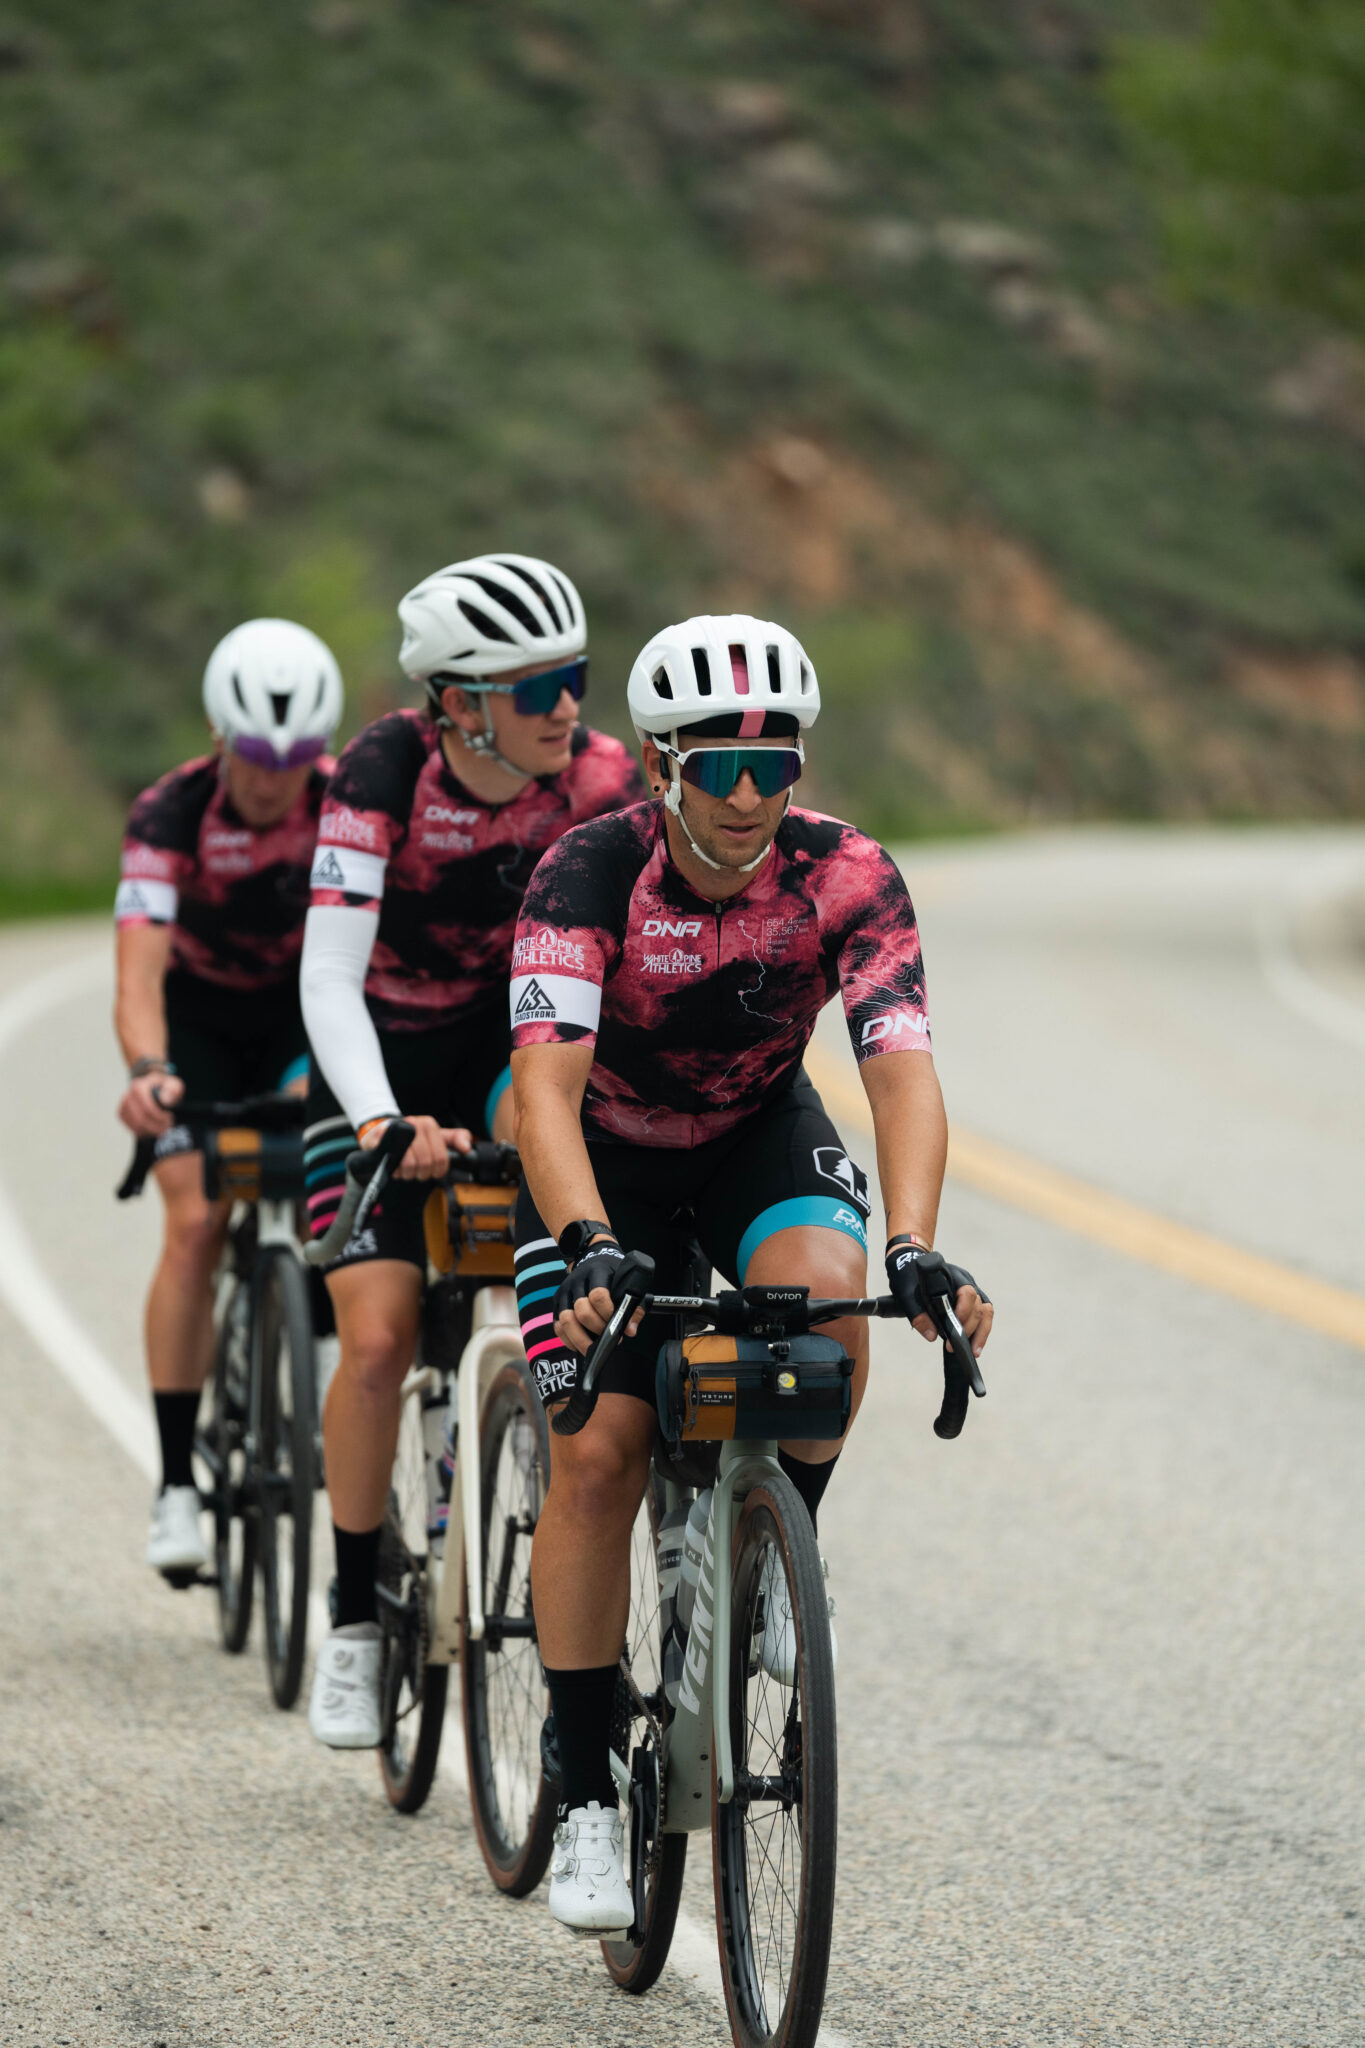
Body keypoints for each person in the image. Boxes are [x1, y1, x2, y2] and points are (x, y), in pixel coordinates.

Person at [507, 612, 994, 1933]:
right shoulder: (586, 874)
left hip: (750, 1135)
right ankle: (586, 1792)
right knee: (600, 1451)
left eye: (772, 765)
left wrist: (914, 1241)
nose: (746, 795)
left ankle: (775, 1554)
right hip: (597, 1160)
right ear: (660, 766)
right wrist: (586, 1243)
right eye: (716, 766)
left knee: (833, 1311)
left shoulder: (845, 874)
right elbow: (541, 1091)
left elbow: (900, 1069)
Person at [300, 552, 645, 1748]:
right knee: (382, 1332)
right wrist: (376, 1117)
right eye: (536, 684)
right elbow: (329, 974)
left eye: (576, 677)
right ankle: (348, 1618)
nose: (567, 706)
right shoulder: (379, 771)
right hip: (382, 1056)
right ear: (456, 701)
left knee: (540, 1118)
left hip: (513, 1053)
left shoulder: (602, 777)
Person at [115, 618, 344, 1577]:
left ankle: (319, 1366)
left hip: (298, 1018)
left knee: (335, 1181)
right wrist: (146, 1070)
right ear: (220, 736)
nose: (271, 776)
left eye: (292, 757)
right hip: (197, 1027)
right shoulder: (171, 811)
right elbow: (137, 975)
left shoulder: (342, 805)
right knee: (196, 1222)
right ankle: (176, 1483)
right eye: (254, 753)